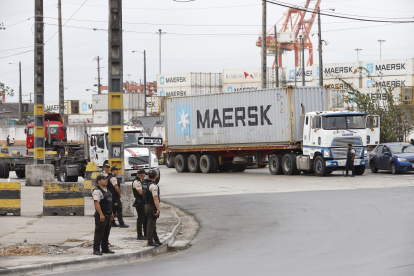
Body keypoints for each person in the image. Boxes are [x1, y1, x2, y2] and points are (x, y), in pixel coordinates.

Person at [92, 175, 115, 255]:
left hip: (108, 214)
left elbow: (109, 203)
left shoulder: (107, 190)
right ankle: (96, 249)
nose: (106, 180)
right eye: (103, 179)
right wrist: (101, 215)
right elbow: (96, 203)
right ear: (99, 181)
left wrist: (111, 212)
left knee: (106, 232)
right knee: (99, 232)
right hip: (101, 214)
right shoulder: (97, 191)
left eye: (106, 179)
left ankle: (105, 248)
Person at [144, 170, 162, 247]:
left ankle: (156, 240)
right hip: (152, 206)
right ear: (156, 177)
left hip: (146, 205)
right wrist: (158, 209)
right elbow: (155, 198)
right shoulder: (153, 186)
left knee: (152, 224)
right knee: (151, 225)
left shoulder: (145, 184)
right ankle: (150, 241)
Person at [132, 169, 148, 240]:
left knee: (145, 219)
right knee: (141, 218)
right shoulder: (137, 182)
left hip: (143, 202)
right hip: (139, 202)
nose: (145, 175)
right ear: (142, 174)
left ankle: (146, 234)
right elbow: (140, 192)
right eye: (144, 174)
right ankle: (139, 235)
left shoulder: (142, 181)